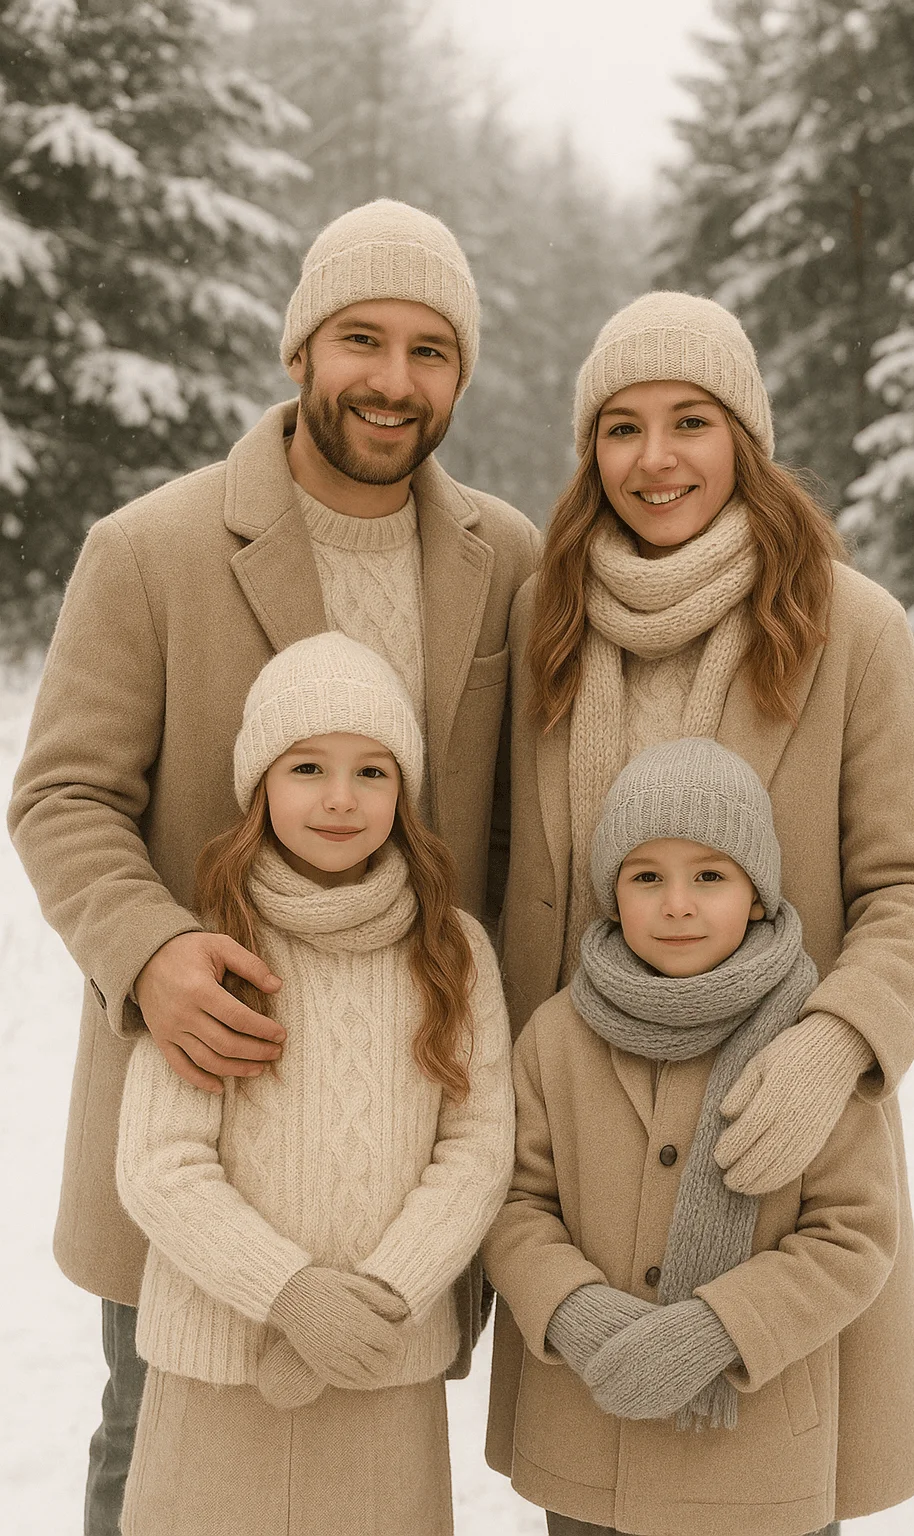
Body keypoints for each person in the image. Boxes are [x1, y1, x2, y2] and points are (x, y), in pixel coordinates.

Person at [7, 198, 538, 1536]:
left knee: (376, 1467)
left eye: (432, 351)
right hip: (201, 1100)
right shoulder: (151, 550)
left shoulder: (510, 562)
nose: (394, 380)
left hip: (400, 1137)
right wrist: (150, 948)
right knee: (156, 1442)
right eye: (363, 338)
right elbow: (63, 794)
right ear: (300, 349)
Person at [492, 293, 914, 1520]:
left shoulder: (851, 631)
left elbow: (913, 883)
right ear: (588, 453)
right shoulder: (543, 621)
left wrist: (837, 1044)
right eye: (621, 428)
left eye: (690, 422)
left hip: (775, 1157)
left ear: (744, 439)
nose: (655, 460)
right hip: (586, 1157)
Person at [116, 631, 514, 1536]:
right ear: (260, 785)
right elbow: (159, 1165)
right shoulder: (210, 950)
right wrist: (288, 1292)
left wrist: (384, 1298)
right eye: (307, 769)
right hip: (218, 1372)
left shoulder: (453, 953)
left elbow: (478, 1148)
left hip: (384, 1366)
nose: (340, 800)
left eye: (372, 773)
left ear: (404, 792)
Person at [484, 737, 895, 1535]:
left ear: (757, 893)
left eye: (710, 875)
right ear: (612, 895)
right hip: (587, 1439)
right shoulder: (556, 1038)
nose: (678, 903)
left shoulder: (808, 1049)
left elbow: (854, 1234)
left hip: (758, 1457)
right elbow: (510, 1200)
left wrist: (719, 1327)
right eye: (647, 877)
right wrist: (572, 1309)